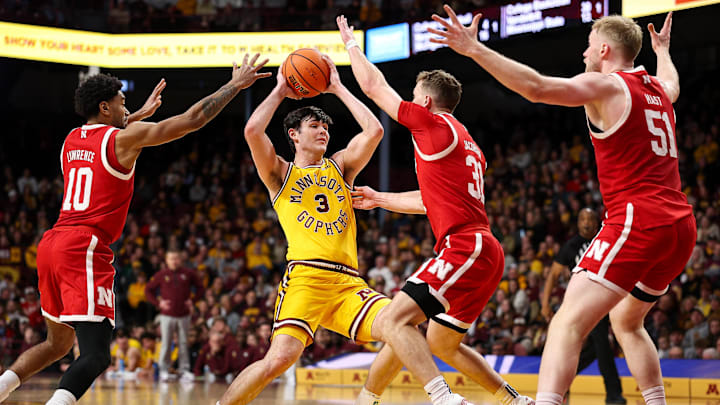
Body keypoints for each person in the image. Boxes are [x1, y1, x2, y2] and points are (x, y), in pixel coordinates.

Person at [428, 7, 695, 405]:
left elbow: (536, 88)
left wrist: (474, 50)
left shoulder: (607, 85)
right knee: (627, 320)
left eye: (588, 47)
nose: (584, 55)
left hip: (639, 218)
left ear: (604, 49)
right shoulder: (658, 90)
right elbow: (672, 80)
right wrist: (663, 51)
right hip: (680, 225)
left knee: (567, 323)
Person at [0, 53, 271, 405]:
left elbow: (108, 138)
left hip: (52, 244)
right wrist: (234, 85)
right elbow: (191, 120)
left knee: (58, 344)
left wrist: (135, 117)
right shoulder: (122, 141)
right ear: (105, 107)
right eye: (122, 102)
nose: (127, 107)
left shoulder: (70, 140)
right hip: (83, 246)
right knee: (96, 356)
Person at [337, 15, 533, 405]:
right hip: (483, 250)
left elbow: (375, 87)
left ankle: (442, 398)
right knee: (435, 340)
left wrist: (350, 46)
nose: (409, 100)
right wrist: (381, 199)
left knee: (391, 319)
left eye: (413, 94)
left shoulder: (429, 124)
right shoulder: (466, 141)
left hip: (464, 245)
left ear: (425, 100)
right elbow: (431, 200)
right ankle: (513, 400)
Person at [218, 54, 389, 405]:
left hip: (347, 282)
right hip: (306, 278)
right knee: (278, 360)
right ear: (294, 135)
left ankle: (367, 399)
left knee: (402, 329)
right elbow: (252, 130)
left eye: (326, 127)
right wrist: (280, 88)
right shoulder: (279, 173)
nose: (323, 131)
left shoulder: (340, 166)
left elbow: (374, 130)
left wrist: (339, 87)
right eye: (314, 126)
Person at [541, 208, 626, 405]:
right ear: (578, 223)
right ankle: (614, 396)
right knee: (602, 345)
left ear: (597, 222)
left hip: (607, 297)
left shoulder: (604, 239)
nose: (587, 223)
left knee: (599, 346)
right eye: (583, 219)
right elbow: (553, 275)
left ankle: (560, 382)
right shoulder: (571, 246)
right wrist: (545, 304)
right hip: (583, 301)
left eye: (590, 219)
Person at [145, 249, 205, 382]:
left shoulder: (188, 273)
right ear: (167, 260)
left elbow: (200, 287)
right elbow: (148, 290)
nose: (174, 261)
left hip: (184, 314)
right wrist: (158, 303)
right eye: (171, 258)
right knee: (166, 342)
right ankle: (164, 370)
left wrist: (192, 301)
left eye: (176, 258)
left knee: (183, 342)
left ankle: (184, 370)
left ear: (181, 259)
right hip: (167, 315)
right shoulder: (162, 274)